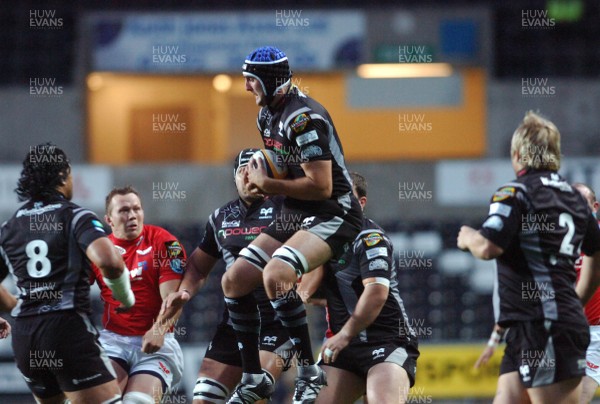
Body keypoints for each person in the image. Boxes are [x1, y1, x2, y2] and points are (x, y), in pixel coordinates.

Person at [220, 46, 363, 403]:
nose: (247, 87)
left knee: (275, 276)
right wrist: (260, 181)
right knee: (233, 281)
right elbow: (285, 168)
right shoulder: (267, 115)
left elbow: (322, 186)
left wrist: (268, 185)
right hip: (295, 210)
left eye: (251, 80)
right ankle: (253, 376)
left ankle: (308, 371)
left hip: (334, 211)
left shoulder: (304, 119)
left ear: (268, 80)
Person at [457, 112, 600, 404]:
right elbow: (596, 258)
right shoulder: (574, 199)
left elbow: (487, 248)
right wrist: (574, 304)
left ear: (518, 153)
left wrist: (467, 236)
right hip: (531, 326)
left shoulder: (515, 193)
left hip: (543, 326)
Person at [0, 143, 134, 404]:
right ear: (63, 176)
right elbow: (110, 262)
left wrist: (15, 305)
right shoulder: (75, 217)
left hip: (26, 337)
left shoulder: (9, 227)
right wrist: (125, 297)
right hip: (66, 330)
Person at [162, 148, 294, 403]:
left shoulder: (286, 208)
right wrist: (186, 290)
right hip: (233, 325)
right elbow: (199, 267)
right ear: (234, 177)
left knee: (253, 394)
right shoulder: (220, 218)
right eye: (242, 171)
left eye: (255, 169)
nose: (248, 176)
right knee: (202, 399)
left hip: (276, 323)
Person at [299, 172, 419, 403]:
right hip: (344, 348)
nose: (337, 203)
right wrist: (318, 250)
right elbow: (306, 293)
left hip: (386, 341)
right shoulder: (320, 239)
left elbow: (376, 294)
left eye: (345, 196)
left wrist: (345, 334)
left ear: (361, 203)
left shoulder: (371, 238)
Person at [90, 186, 186, 404]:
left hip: (156, 344)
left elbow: (172, 299)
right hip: (113, 342)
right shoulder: (99, 251)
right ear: (109, 219)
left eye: (137, 209)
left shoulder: (165, 242)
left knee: (137, 401)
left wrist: (159, 329)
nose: (132, 215)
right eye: (124, 210)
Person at [573, 183, 600, 403]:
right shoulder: (554, 239)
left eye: (583, 203)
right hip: (561, 330)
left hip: (595, 334)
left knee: (581, 395)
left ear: (595, 206)